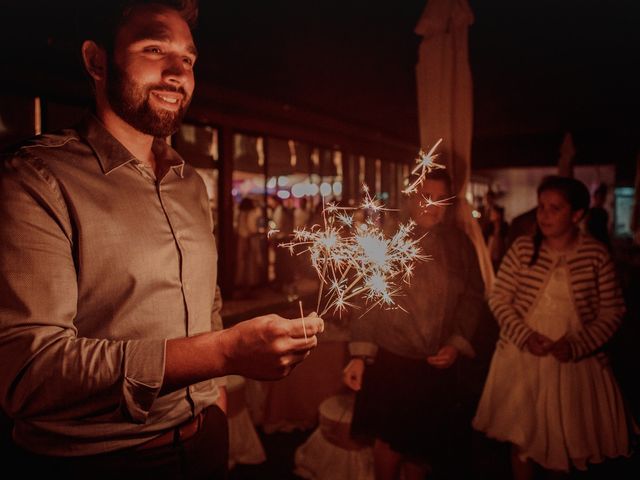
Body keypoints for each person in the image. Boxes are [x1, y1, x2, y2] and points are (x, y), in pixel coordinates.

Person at [0, 2, 323, 478]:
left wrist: (216, 401)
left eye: (189, 59)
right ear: (96, 60)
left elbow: (204, 298)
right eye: (154, 49)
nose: (178, 73)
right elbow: (29, 373)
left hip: (205, 442)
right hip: (98, 461)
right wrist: (225, 353)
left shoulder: (189, 183)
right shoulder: (37, 178)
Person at [473, 176, 637, 478]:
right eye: (541, 207)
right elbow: (499, 298)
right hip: (523, 357)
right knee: (522, 435)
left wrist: (578, 345)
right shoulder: (523, 249)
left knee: (565, 436)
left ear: (576, 215)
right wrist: (523, 335)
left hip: (574, 362)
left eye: (555, 208)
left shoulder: (595, 255)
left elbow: (613, 310)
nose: (544, 215)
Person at [342, 170, 485, 480]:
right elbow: (368, 297)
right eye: (424, 196)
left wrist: (456, 343)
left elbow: (473, 297)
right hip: (393, 362)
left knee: (424, 448)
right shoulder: (389, 238)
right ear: (410, 197)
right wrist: (359, 354)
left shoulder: (460, 245)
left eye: (439, 199)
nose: (431, 205)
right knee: (391, 443)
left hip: (437, 366)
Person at [585, 182, 611, 249]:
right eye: (599, 198)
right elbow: (587, 227)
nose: (601, 200)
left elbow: (605, 229)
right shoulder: (591, 212)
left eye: (602, 198)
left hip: (601, 240)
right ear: (595, 198)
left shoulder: (603, 212)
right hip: (594, 240)